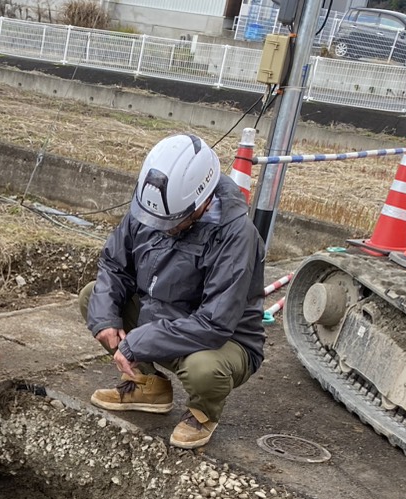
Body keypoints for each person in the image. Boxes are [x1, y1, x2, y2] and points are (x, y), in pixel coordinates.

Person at [81, 133, 267, 449]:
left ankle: (202, 413)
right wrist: (106, 319)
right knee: (93, 299)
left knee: (203, 370)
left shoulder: (236, 236)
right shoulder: (156, 205)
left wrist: (139, 340)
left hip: (223, 339)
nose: (162, 226)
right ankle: (147, 385)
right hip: (166, 320)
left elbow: (214, 323)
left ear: (202, 202)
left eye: (173, 221)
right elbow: (115, 265)